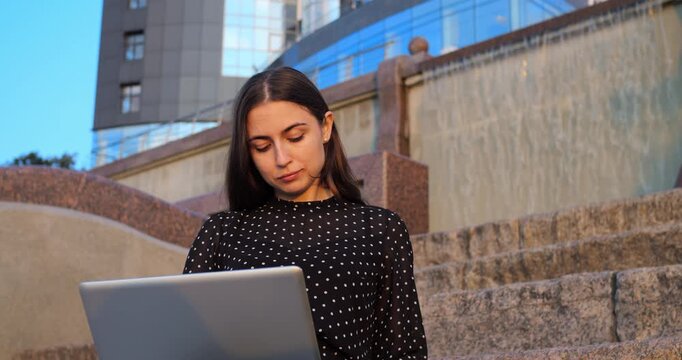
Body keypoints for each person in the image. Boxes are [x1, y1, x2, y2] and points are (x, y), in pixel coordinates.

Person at [183, 67, 427, 359]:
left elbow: (404, 350)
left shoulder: (379, 229)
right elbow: (186, 341)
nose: (281, 159)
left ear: (325, 127)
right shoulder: (222, 232)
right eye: (262, 147)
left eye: (295, 137)